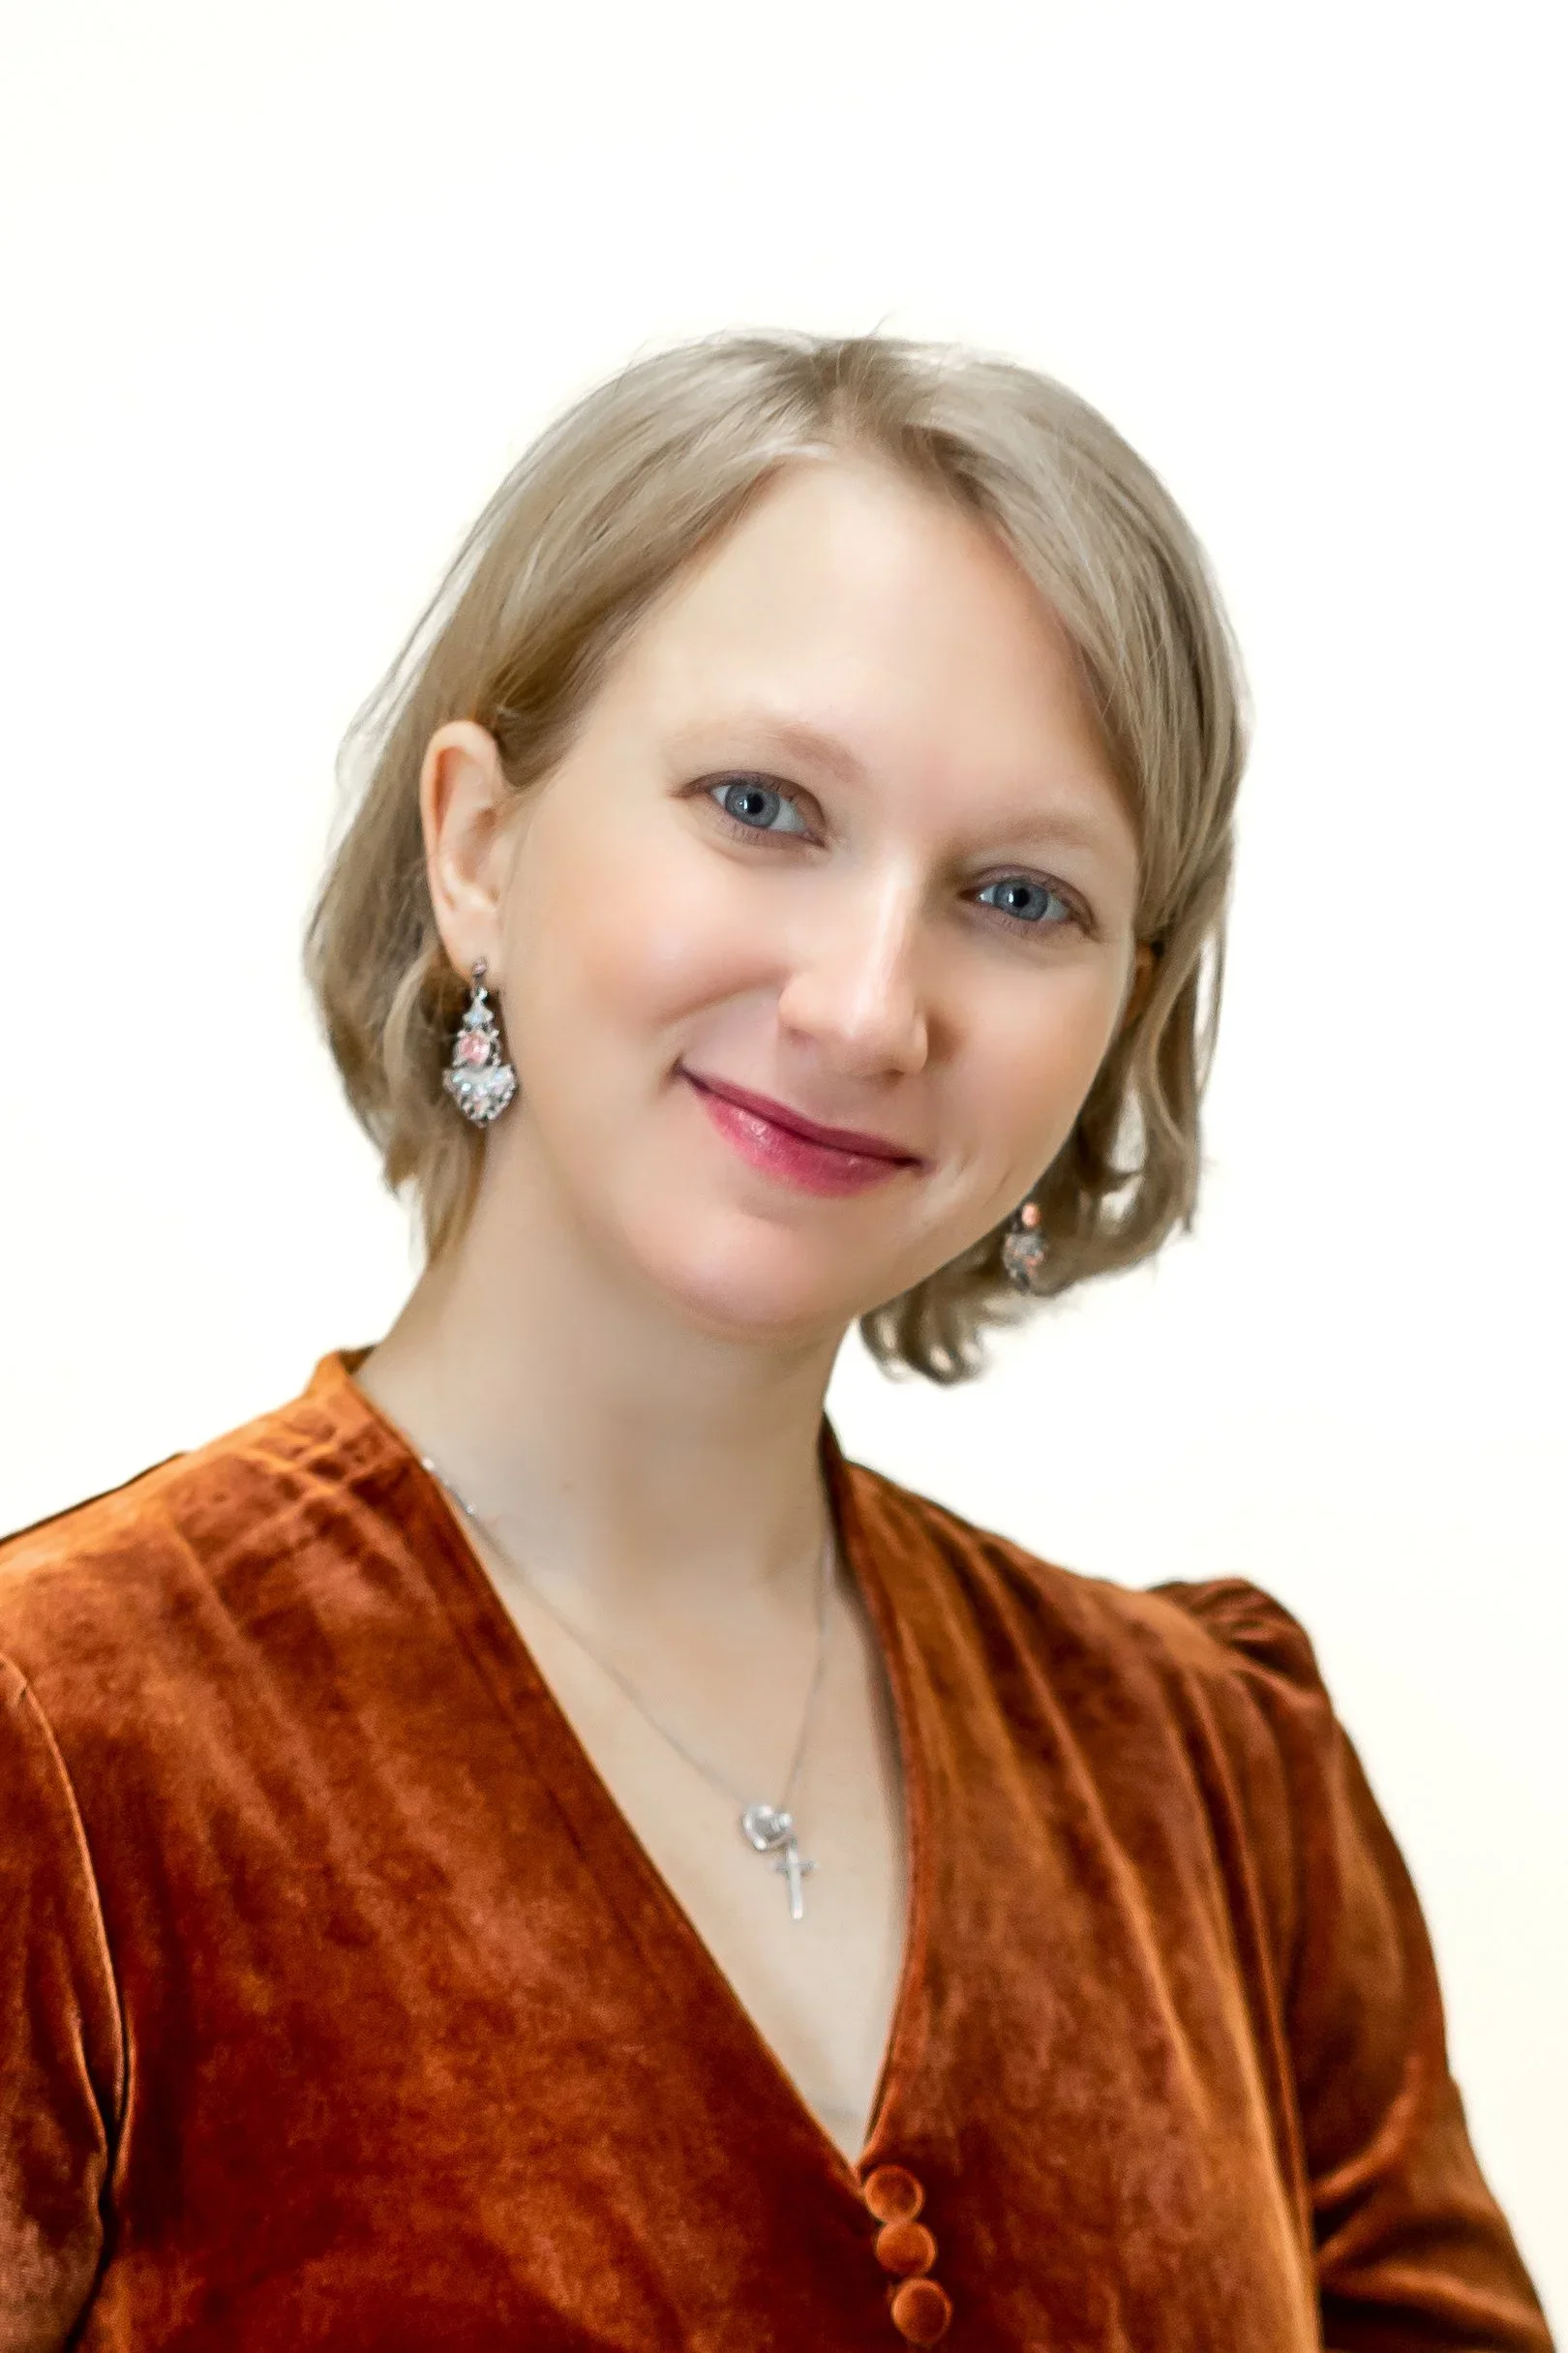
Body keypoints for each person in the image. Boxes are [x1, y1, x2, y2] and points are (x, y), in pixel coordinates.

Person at [0, 328, 1552, 2353]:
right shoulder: (67, 1755)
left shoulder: (1221, 1781)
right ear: (477, 842)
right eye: (762, 805)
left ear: (1118, 1015)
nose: (865, 1002)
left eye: (1018, 895)